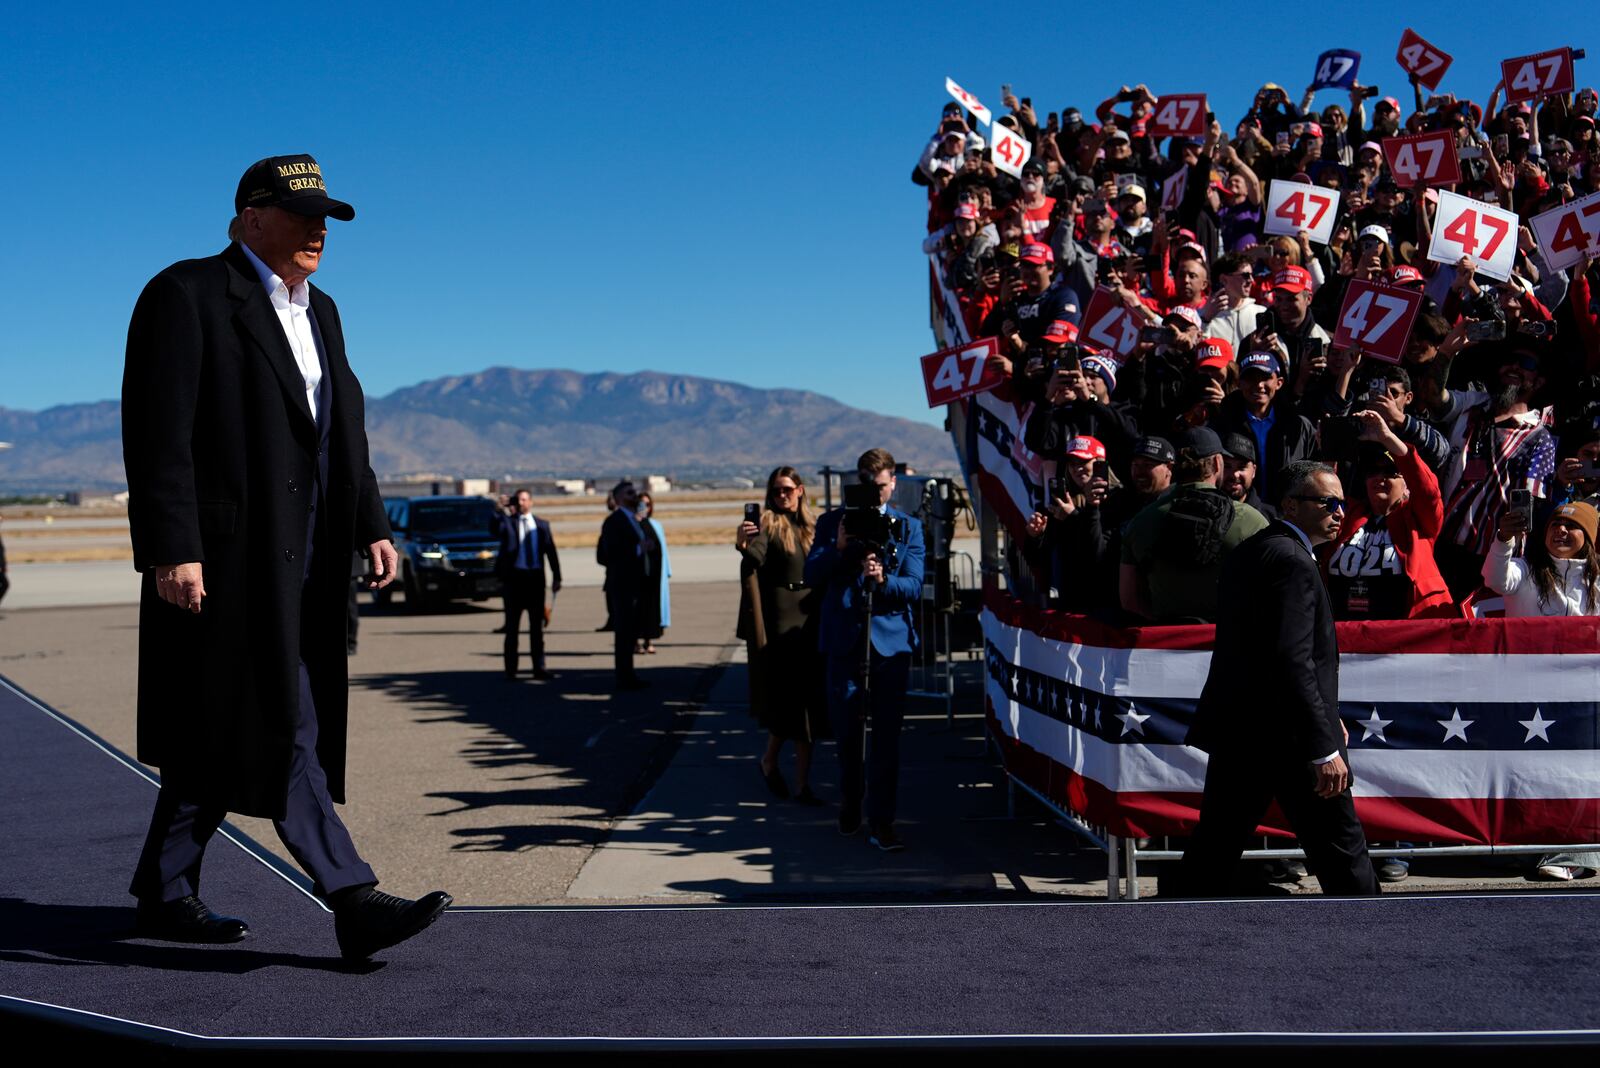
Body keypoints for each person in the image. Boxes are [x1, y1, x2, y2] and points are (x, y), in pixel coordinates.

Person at [120, 154, 450, 958]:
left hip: (308, 564)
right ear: (249, 216)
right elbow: (156, 434)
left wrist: (372, 523)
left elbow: (343, 437)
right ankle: (352, 893)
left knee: (216, 727)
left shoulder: (322, 311)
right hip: (225, 563)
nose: (317, 231)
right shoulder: (187, 294)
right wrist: (173, 548)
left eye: (326, 219)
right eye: (302, 215)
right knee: (282, 720)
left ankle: (164, 891)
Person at [1178, 461, 1379, 897]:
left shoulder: (1253, 551)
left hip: (1244, 734)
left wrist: (1327, 716)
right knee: (1345, 855)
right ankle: (1376, 940)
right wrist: (1323, 743)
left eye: (1342, 502)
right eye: (1327, 502)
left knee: (1212, 852)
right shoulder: (1292, 561)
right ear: (1290, 504)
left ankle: (1169, 934)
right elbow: (1292, 659)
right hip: (1289, 739)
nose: (1339, 511)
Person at [804, 449, 925, 852]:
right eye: (865, 485)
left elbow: (912, 587)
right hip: (844, 641)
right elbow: (811, 574)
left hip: (890, 646)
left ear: (893, 484)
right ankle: (851, 800)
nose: (873, 493)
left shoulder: (909, 529)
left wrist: (883, 579)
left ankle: (882, 820)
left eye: (880, 486)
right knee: (847, 735)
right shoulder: (831, 523)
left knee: (887, 739)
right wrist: (839, 549)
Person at [1483, 501, 1600, 882]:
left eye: (1572, 526)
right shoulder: (1526, 570)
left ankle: (1573, 853)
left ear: (1589, 538)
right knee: (1529, 773)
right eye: (1554, 524)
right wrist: (1503, 539)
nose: (1561, 531)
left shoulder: (1598, 582)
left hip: (1583, 700)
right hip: (1527, 692)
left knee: (1576, 776)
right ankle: (1525, 847)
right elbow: (1495, 580)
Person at [737, 467, 828, 804]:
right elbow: (754, 557)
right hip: (780, 618)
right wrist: (743, 542)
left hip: (809, 615)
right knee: (792, 702)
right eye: (776, 491)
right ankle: (774, 762)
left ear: (800, 490)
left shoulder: (811, 525)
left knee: (809, 704)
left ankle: (797, 780)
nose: (782, 496)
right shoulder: (768, 523)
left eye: (787, 489)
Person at [1119, 427, 1269, 623]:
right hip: (1231, 648)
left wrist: (1171, 629)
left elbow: (1130, 600)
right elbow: (1270, 594)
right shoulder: (1252, 521)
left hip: (1162, 646)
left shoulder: (1140, 522)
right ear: (1217, 463)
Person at [1326, 414, 1452, 621]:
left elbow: (1427, 491)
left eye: (1391, 471)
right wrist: (1330, 452)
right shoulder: (1349, 515)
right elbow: (1322, 500)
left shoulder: (1419, 521)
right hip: (1344, 634)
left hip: (1404, 638)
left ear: (1407, 484)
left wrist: (1387, 437)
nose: (1379, 478)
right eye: (1372, 471)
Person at [493, 488, 562, 680]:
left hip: (535, 581)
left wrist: (557, 577)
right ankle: (511, 670)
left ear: (531, 502)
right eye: (518, 500)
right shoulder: (508, 522)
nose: (521, 503)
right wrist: (498, 510)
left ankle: (539, 668)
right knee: (512, 628)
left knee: (536, 629)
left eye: (524, 499)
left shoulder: (541, 525)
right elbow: (494, 529)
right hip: (514, 581)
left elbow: (551, 552)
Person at [596, 480, 650, 690]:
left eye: (634, 492)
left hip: (635, 584)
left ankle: (629, 674)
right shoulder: (614, 522)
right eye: (629, 493)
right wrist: (639, 549)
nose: (633, 495)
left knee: (630, 632)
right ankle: (624, 676)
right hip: (622, 586)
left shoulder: (634, 520)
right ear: (618, 498)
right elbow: (609, 554)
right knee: (624, 632)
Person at [635, 492, 670, 655]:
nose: (645, 508)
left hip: (653, 574)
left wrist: (667, 571)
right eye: (641, 504)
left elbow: (662, 549)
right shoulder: (633, 524)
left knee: (651, 608)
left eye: (647, 504)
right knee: (638, 609)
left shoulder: (654, 525)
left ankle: (648, 640)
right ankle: (636, 641)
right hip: (638, 574)